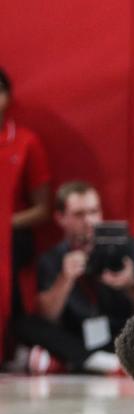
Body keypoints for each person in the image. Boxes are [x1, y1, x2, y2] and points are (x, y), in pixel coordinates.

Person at [14, 180, 134, 373]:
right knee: (25, 324)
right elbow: (47, 317)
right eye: (79, 214)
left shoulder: (127, 247)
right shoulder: (52, 258)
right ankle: (94, 361)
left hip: (121, 333)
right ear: (61, 218)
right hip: (77, 335)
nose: (89, 221)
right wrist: (65, 278)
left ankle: (74, 360)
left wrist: (130, 283)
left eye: (94, 212)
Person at [0, 66, 52, 333]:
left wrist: (4, 224)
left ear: (6, 96)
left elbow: (43, 209)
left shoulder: (25, 142)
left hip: (13, 234)